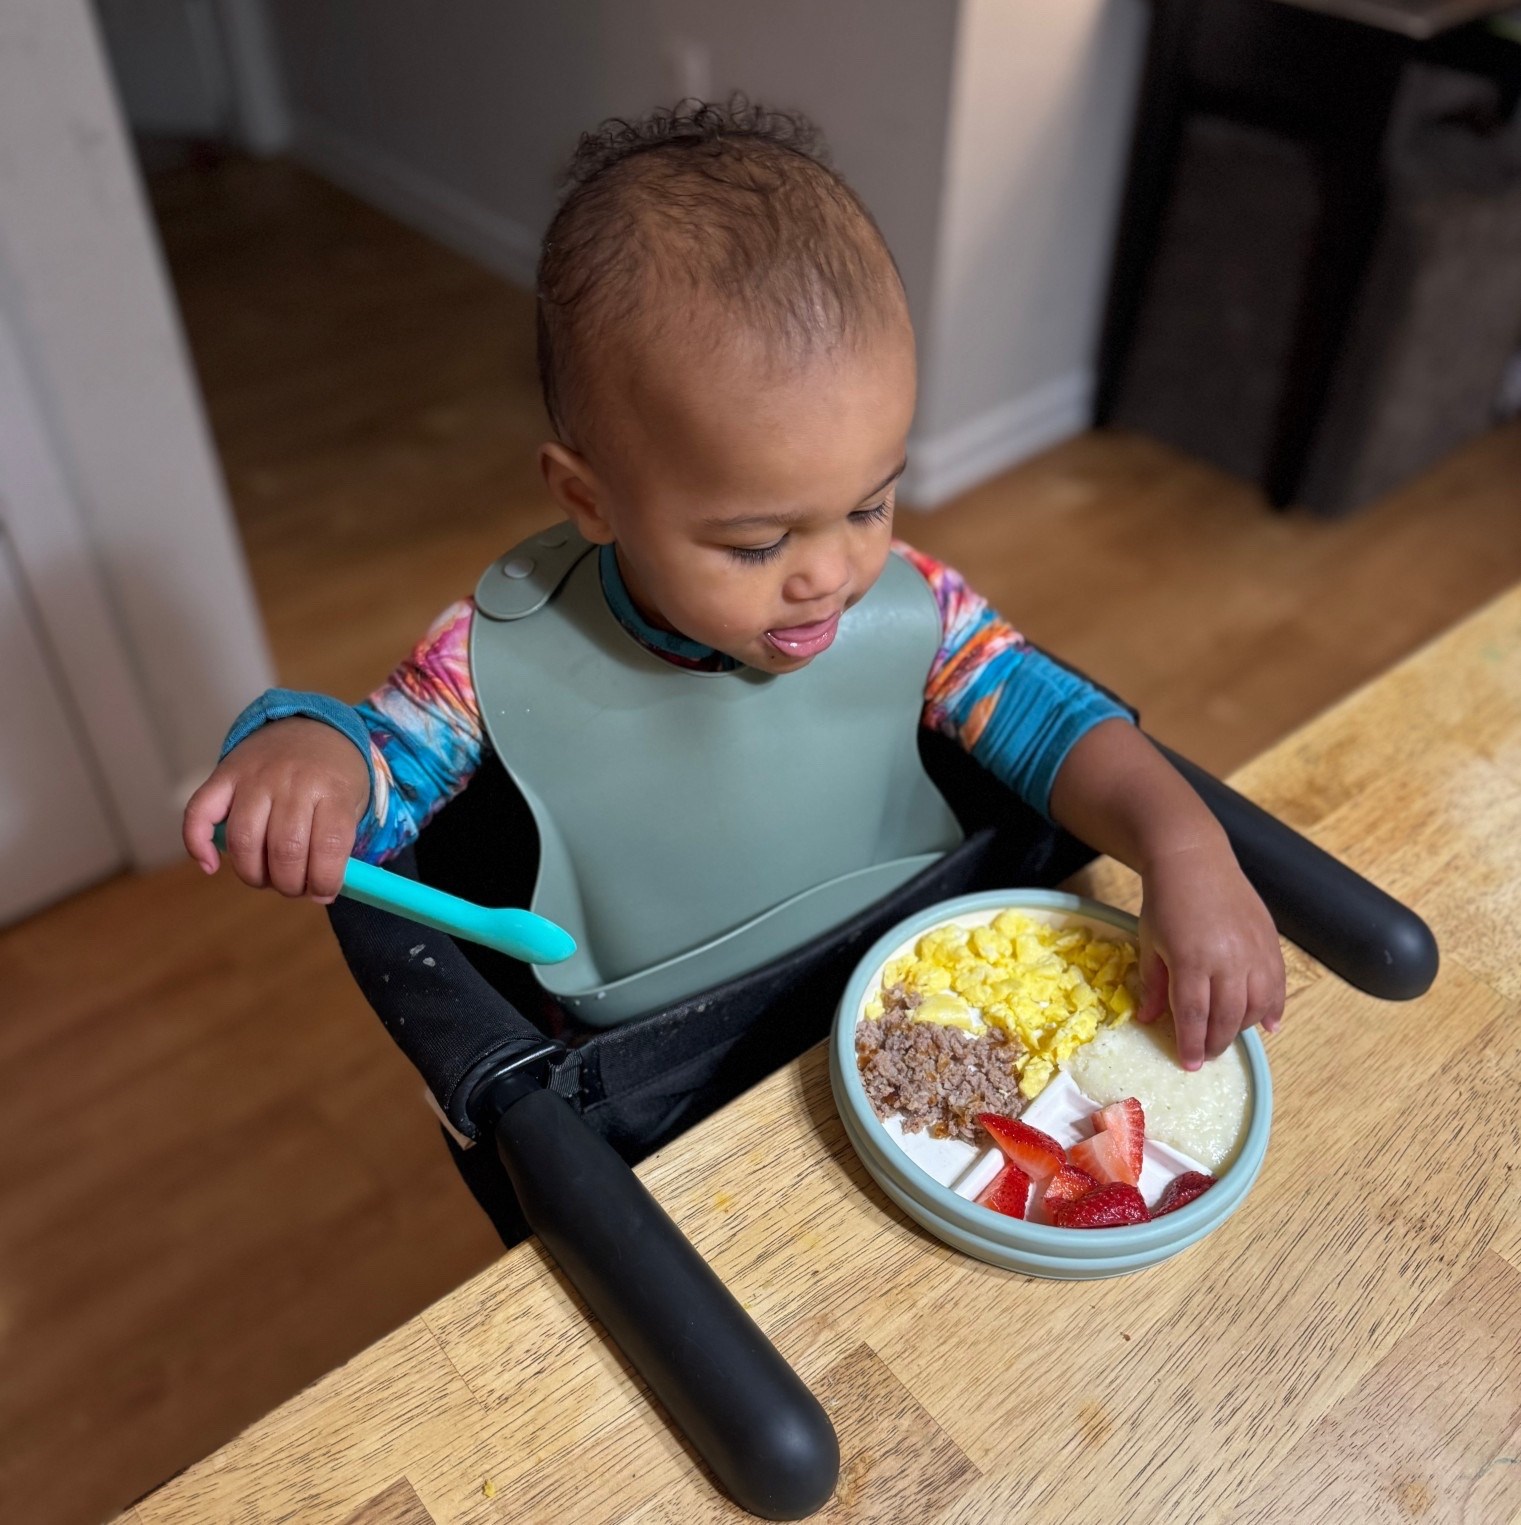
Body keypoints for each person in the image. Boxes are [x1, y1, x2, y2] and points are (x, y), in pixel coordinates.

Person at [182, 99, 1284, 1071]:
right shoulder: (488, 658)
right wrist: (310, 756)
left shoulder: (916, 609)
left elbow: (1051, 719)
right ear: (590, 499)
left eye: (869, 504)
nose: (832, 575)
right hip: (676, 1069)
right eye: (756, 543)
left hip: (917, 1005)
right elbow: (384, 778)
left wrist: (1187, 847)